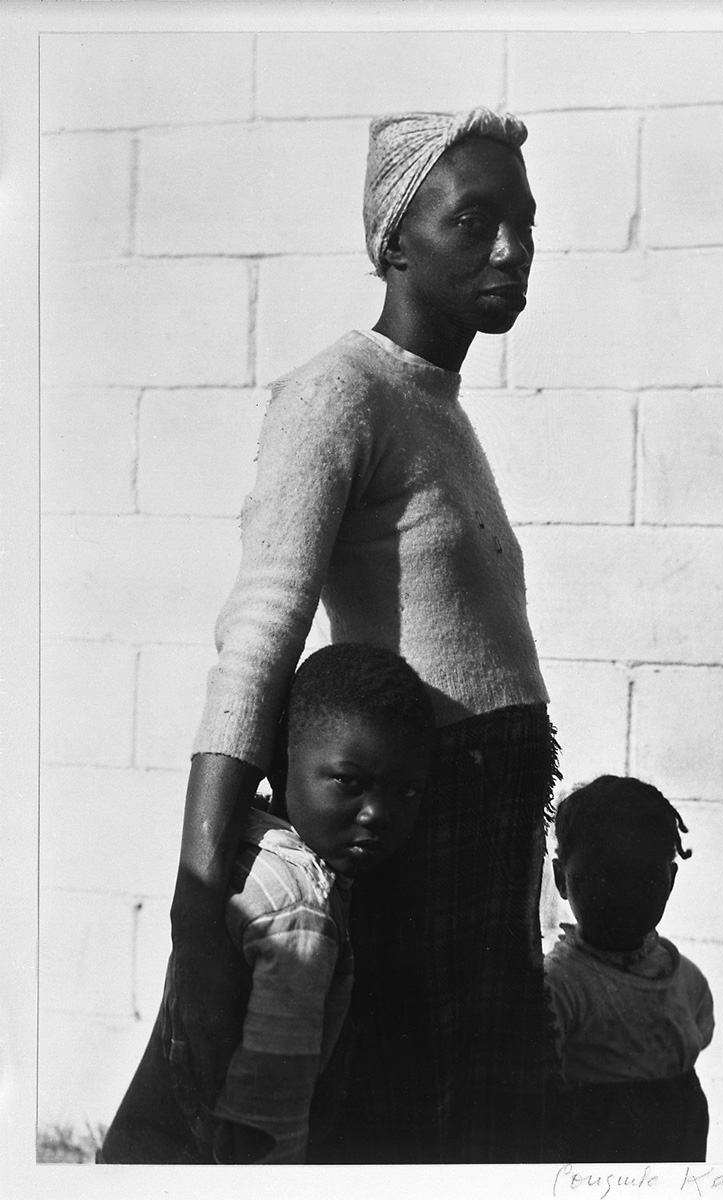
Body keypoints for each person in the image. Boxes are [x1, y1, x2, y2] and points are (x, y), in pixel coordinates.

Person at [169, 107, 560, 1164]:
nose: (511, 250)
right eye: (474, 221)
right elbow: (261, 625)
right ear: (395, 240)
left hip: (485, 826)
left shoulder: (438, 405)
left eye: (524, 224)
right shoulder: (340, 392)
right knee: (393, 1126)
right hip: (414, 834)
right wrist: (197, 911)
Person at [98, 644, 436, 1164]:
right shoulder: (302, 910)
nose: (377, 814)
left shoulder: (250, 846)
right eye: (349, 781)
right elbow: (267, 1113)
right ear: (281, 762)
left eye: (407, 793)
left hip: (137, 1150)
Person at [544, 776, 714, 1163]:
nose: (625, 896)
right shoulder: (560, 985)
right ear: (561, 879)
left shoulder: (683, 977)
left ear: (670, 880)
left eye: (646, 878)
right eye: (605, 876)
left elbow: (699, 1035)